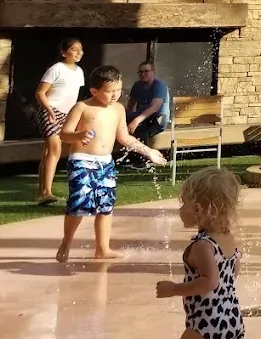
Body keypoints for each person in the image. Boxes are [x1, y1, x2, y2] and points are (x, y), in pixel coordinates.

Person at [56, 65, 167, 262]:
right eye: (110, 91)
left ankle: (102, 249)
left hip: (105, 163)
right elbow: (64, 135)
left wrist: (148, 150)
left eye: (119, 90)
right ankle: (67, 242)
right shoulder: (82, 107)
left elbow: (124, 138)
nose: (115, 95)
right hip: (82, 161)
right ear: (94, 91)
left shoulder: (118, 109)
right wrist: (78, 135)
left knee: (106, 206)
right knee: (79, 204)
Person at [156, 168, 251, 339]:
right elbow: (233, 272)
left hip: (206, 321)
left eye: (183, 203)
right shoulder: (227, 238)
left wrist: (174, 289)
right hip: (230, 315)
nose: (181, 209)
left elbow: (210, 282)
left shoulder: (202, 246)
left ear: (197, 209)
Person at [35, 38, 85, 205]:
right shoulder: (56, 69)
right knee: (54, 148)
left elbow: (73, 96)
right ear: (64, 52)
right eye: (74, 49)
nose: (79, 52)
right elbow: (40, 93)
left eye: (81, 49)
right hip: (49, 111)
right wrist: (49, 110)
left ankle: (42, 191)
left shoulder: (79, 72)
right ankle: (47, 193)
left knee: (50, 152)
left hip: (66, 113)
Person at [124, 60, 170, 158]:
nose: (143, 74)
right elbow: (131, 105)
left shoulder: (159, 86)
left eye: (146, 71)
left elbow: (154, 108)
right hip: (142, 117)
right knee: (122, 116)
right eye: (140, 72)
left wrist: (136, 121)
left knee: (143, 129)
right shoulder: (137, 86)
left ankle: (142, 160)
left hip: (158, 119)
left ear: (153, 72)